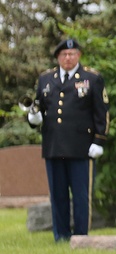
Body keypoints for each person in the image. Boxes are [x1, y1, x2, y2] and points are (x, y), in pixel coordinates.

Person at [27, 38, 109, 242]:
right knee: (58, 195)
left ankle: (81, 236)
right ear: (57, 57)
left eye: (72, 54)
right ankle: (61, 235)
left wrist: (99, 140)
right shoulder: (46, 79)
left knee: (81, 196)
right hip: (54, 146)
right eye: (64, 54)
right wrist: (33, 118)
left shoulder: (92, 78)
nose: (68, 58)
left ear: (79, 56)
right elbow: (38, 107)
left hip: (82, 147)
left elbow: (102, 112)